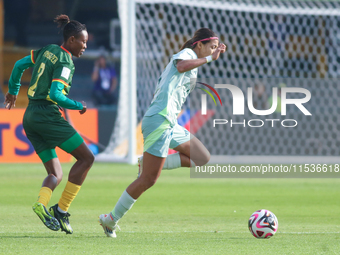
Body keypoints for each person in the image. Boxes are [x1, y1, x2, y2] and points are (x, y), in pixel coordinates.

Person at [99, 28, 226, 237]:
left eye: (216, 47)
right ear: (199, 45)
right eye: (211, 46)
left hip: (170, 123)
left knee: (202, 157)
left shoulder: (195, 61)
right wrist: (211, 58)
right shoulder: (187, 55)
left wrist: (210, 57)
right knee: (148, 180)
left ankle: (146, 164)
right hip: (159, 120)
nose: (214, 50)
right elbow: (181, 65)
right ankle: (110, 220)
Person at [3, 14, 94, 234]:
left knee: (56, 174)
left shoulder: (47, 50)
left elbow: (18, 65)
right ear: (71, 40)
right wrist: (78, 105)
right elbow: (56, 94)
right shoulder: (65, 61)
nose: (85, 46)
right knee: (86, 158)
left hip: (30, 116)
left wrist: (13, 92)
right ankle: (61, 211)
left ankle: (41, 203)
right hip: (47, 115)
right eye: (83, 41)